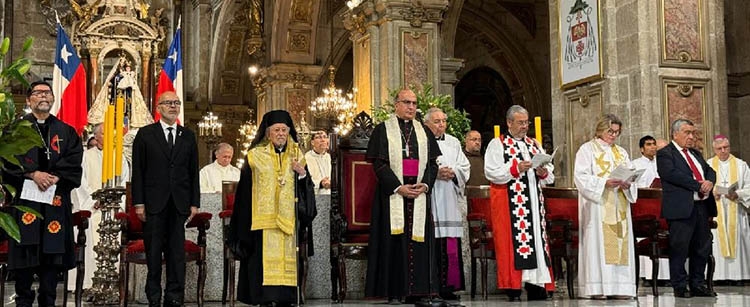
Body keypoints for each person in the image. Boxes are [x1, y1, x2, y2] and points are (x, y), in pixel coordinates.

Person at [2, 81, 83, 306]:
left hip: (55, 204)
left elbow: (74, 160)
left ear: (53, 98)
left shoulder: (66, 131)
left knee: (51, 266)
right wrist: (32, 174)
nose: (43, 96)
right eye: (37, 93)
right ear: (29, 100)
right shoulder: (15, 131)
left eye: (47, 92)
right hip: (26, 204)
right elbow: (7, 162)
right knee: (25, 265)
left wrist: (55, 177)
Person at [227, 110, 316, 307]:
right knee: (261, 261)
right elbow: (244, 193)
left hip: (289, 221)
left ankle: (287, 297)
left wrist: (302, 175)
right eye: (277, 130)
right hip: (262, 222)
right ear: (268, 133)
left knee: (288, 259)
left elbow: (307, 187)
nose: (281, 134)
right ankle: (264, 298)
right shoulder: (254, 156)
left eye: (284, 130)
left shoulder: (297, 155)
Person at [364, 89, 441, 303]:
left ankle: (419, 291)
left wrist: (424, 185)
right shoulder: (383, 130)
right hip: (392, 196)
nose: (411, 107)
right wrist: (399, 187)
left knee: (419, 241)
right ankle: (394, 291)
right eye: (406, 102)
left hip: (419, 194)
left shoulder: (423, 132)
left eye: (414, 103)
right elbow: (379, 164)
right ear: (396, 104)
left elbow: (432, 164)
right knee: (394, 241)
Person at [131, 91, 200, 307]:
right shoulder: (145, 134)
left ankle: (174, 296)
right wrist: (138, 202)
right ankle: (153, 296)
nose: (173, 106)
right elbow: (138, 172)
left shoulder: (187, 136)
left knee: (176, 253)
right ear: (159, 107)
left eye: (176, 103)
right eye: (168, 103)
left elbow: (193, 172)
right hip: (153, 203)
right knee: (153, 253)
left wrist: (194, 203)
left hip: (179, 203)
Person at [484, 105, 555, 301]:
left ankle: (536, 285)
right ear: (509, 122)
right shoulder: (497, 144)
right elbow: (491, 172)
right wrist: (516, 168)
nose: (525, 127)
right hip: (511, 204)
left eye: (527, 122)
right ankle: (513, 287)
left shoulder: (534, 144)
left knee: (537, 244)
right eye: (520, 122)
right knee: (512, 242)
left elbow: (549, 174)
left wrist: (543, 172)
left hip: (533, 203)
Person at [574, 114, 638, 299]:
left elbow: (631, 173)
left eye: (617, 132)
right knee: (599, 245)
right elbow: (581, 177)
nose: (613, 135)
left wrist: (628, 184)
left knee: (620, 244)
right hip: (598, 206)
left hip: (620, 203)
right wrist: (604, 183)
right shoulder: (587, 150)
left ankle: (621, 288)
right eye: (610, 131)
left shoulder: (622, 152)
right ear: (600, 129)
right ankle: (598, 288)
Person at [657, 119, 717, 298]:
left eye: (693, 133)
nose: (691, 137)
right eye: (687, 133)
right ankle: (680, 286)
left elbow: (709, 170)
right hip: (680, 207)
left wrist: (709, 181)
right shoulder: (665, 154)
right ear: (675, 134)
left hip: (701, 206)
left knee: (701, 248)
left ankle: (698, 284)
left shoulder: (695, 154)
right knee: (680, 248)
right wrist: (698, 185)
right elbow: (672, 174)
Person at [69, 123, 130, 290]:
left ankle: (114, 282)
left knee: (116, 231)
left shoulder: (120, 158)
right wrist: (94, 201)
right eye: (105, 133)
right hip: (92, 210)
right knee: (88, 233)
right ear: (96, 137)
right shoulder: (85, 157)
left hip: (113, 209)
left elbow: (124, 182)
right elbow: (80, 184)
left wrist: (116, 202)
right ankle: (88, 283)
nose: (110, 136)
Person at [423, 108, 471, 301]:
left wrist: (454, 173)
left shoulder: (453, 142)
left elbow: (464, 166)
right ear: (426, 124)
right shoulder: (421, 140)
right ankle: (429, 286)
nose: (441, 124)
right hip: (430, 196)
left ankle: (449, 287)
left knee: (450, 242)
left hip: (449, 198)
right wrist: (435, 173)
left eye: (443, 121)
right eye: (437, 121)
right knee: (430, 240)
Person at [707, 135, 750, 283]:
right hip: (717, 210)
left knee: (738, 239)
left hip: (736, 209)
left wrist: (737, 194)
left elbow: (749, 187)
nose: (723, 151)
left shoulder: (741, 165)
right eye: (719, 149)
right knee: (717, 242)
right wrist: (713, 194)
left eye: (726, 147)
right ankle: (718, 276)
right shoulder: (708, 165)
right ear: (714, 149)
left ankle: (739, 276)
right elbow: (702, 187)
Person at [304, 130, 332, 195]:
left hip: (331, 195)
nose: (322, 140)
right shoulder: (306, 158)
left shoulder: (331, 158)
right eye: (319, 137)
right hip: (314, 196)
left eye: (325, 137)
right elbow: (305, 180)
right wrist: (320, 183)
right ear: (312, 142)